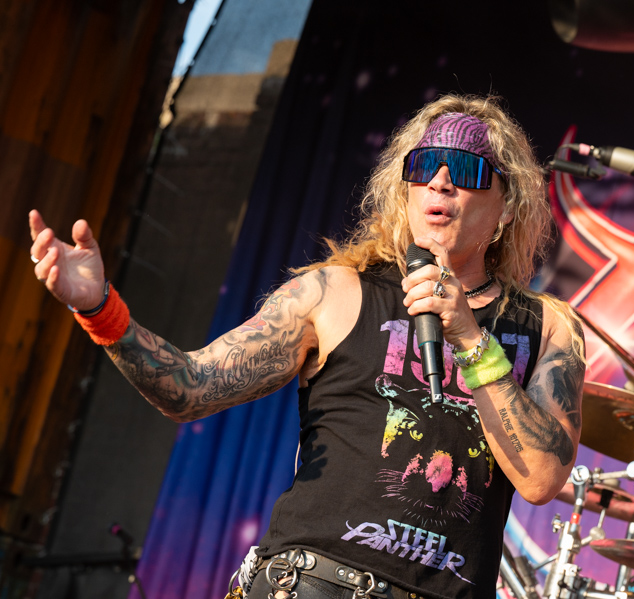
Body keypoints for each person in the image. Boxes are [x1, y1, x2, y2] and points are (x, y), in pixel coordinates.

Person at [28, 93, 585, 599]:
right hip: (313, 583)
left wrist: (468, 336)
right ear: (405, 188)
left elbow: (541, 479)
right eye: (424, 165)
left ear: (507, 206)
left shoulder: (549, 328)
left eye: (465, 169)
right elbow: (189, 388)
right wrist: (100, 309)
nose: (440, 182)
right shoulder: (334, 293)